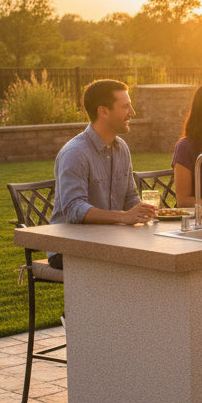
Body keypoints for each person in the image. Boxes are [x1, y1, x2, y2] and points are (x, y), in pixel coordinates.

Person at [48, 79, 157, 268]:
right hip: (69, 248)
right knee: (140, 264)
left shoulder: (121, 148)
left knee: (156, 256)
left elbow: (130, 197)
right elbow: (74, 209)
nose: (132, 112)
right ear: (103, 111)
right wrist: (123, 217)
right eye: (125, 107)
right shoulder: (75, 153)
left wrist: (145, 212)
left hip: (110, 240)